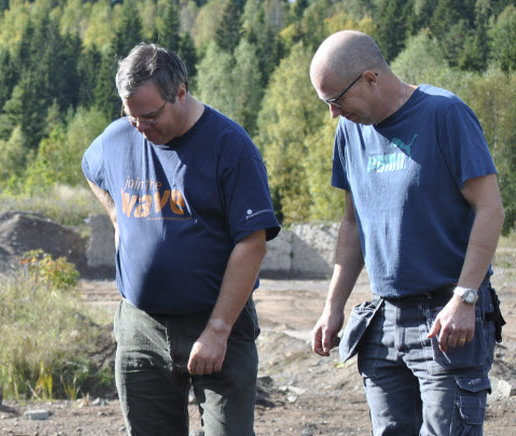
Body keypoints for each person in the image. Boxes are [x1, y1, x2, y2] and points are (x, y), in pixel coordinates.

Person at [308, 30, 506, 435]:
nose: (333, 114)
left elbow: (490, 209)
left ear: (370, 78)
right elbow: (352, 223)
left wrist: (465, 298)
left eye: (336, 101)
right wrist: (333, 306)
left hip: (447, 320)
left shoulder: (444, 114)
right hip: (384, 319)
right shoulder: (350, 131)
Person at [82, 43, 280, 436]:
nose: (140, 126)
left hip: (216, 321)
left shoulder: (230, 147)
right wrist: (116, 216)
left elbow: (252, 243)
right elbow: (91, 167)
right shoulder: (120, 137)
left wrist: (218, 329)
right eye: (130, 114)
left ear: (182, 92)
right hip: (141, 327)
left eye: (150, 115)